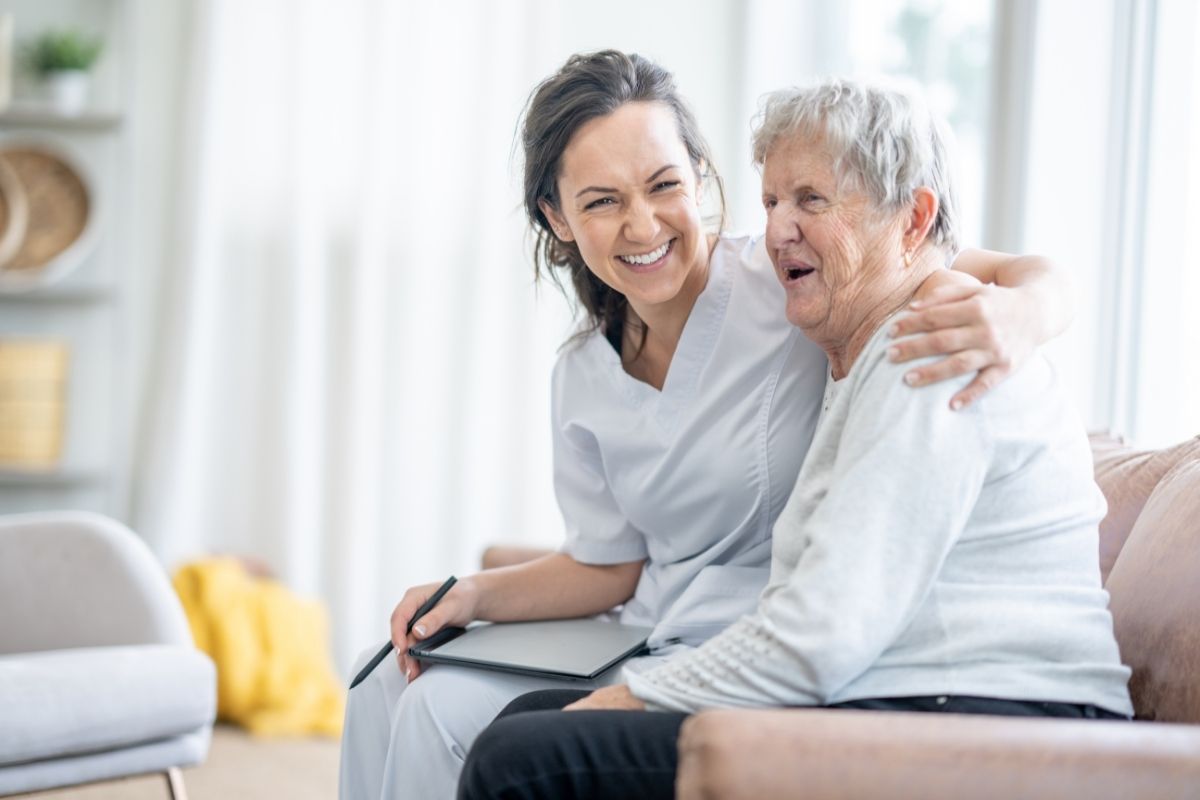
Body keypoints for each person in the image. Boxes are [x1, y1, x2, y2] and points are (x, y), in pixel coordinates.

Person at [339, 52, 1076, 800]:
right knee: (380, 684)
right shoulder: (590, 370)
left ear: (698, 177)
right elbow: (610, 562)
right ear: (558, 219)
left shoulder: (799, 285)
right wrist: (472, 594)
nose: (641, 224)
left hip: (776, 651)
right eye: (600, 201)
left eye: (664, 185)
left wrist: (1031, 308)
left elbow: (940, 258)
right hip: (662, 636)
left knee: (473, 728)